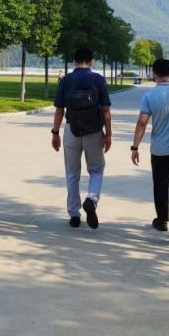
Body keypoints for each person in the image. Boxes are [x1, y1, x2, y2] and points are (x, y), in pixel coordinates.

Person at [51, 46, 112, 229]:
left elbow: (59, 110)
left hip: (72, 130)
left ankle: (74, 214)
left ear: (74, 61)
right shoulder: (98, 79)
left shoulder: (66, 80)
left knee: (72, 173)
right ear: (91, 62)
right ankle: (91, 199)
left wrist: (55, 133)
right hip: (94, 131)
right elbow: (106, 110)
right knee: (96, 169)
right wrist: (108, 134)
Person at [130, 58, 169, 244]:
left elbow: (142, 123)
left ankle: (162, 220)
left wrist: (135, 147)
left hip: (159, 150)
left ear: (154, 74)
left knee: (160, 185)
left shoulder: (149, 96)